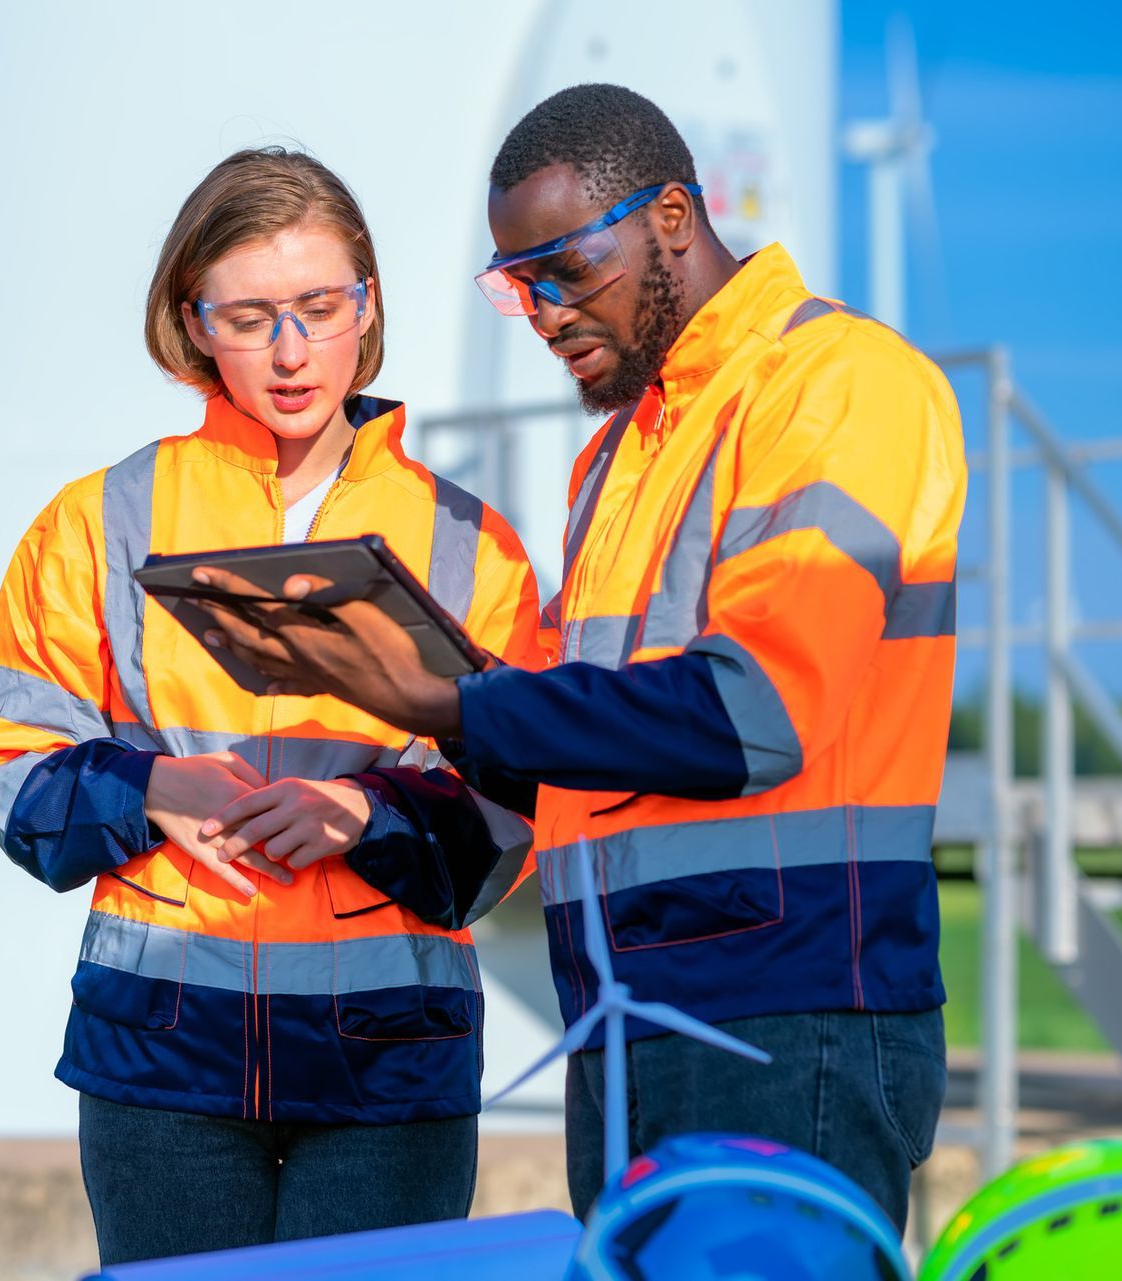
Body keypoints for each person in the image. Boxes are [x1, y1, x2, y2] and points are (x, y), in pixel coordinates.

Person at [189, 85, 965, 1234]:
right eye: (517, 283)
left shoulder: (838, 386)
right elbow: (564, 750)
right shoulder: (615, 458)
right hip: (627, 1018)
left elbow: (756, 715)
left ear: (670, 218)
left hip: (791, 1014)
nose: (544, 311)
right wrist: (382, 797)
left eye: (562, 268)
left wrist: (451, 698)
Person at [0, 147, 542, 1266]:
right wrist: (149, 785)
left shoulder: (473, 547)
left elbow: (519, 813)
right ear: (191, 321)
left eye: (320, 307)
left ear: (367, 308)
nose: (289, 350)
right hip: (161, 1065)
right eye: (250, 315)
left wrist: (370, 816)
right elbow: (1, 768)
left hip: (390, 1067)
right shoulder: (102, 520)